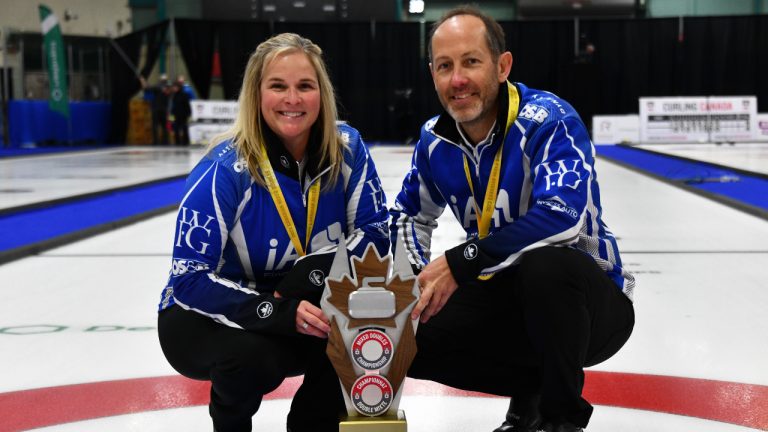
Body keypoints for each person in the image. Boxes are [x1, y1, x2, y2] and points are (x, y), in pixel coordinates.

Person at [389, 6, 635, 432]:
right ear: (433, 74)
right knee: (402, 337)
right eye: (445, 66)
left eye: (471, 61)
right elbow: (409, 216)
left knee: (548, 267)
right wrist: (414, 284)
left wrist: (459, 261)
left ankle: (559, 420)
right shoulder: (434, 139)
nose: (458, 79)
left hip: (592, 306)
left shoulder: (549, 120)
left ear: (502, 66)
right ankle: (530, 397)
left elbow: (563, 218)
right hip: (507, 296)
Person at [157, 33, 389, 432]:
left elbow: (377, 236)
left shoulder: (347, 147)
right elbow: (188, 281)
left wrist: (306, 276)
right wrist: (276, 309)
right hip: (207, 316)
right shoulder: (225, 168)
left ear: (322, 93)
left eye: (305, 86)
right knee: (252, 356)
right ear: (256, 93)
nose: (293, 100)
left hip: (298, 305)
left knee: (366, 325)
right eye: (278, 86)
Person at [140, 74, 171, 145]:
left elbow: (146, 89)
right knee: (166, 126)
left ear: (160, 80)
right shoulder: (169, 87)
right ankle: (165, 141)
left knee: (155, 126)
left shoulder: (157, 86)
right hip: (165, 110)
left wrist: (143, 81)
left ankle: (156, 142)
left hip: (156, 109)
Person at [170, 79, 192, 145]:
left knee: (184, 129)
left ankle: (186, 142)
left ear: (178, 87)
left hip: (183, 115)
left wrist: (188, 114)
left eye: (175, 87)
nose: (174, 88)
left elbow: (187, 105)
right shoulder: (174, 95)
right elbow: (173, 106)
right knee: (176, 129)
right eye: (173, 87)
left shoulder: (184, 95)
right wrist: (172, 114)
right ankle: (177, 142)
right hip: (176, 115)